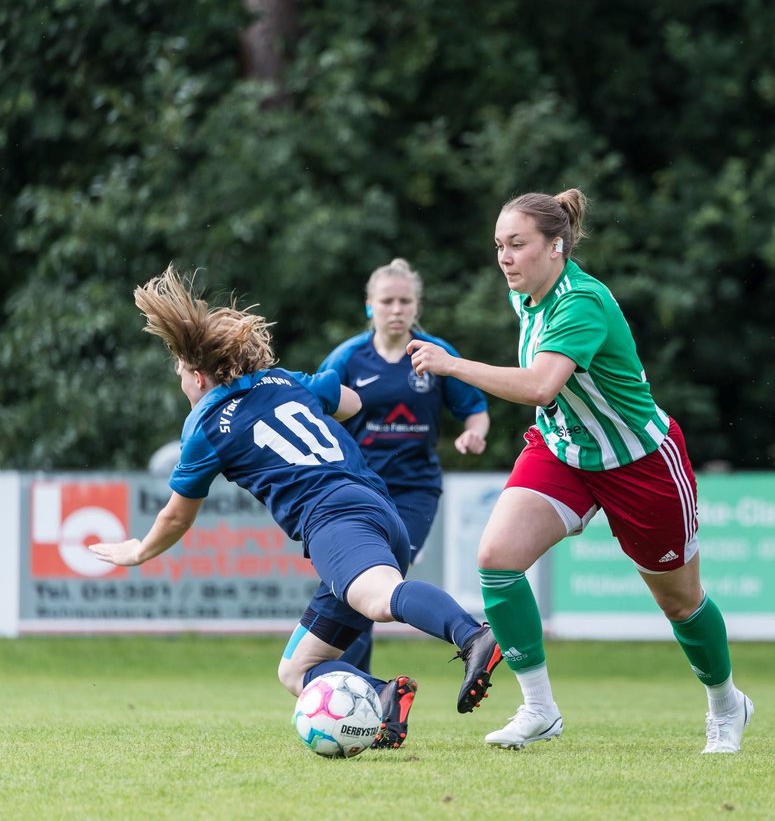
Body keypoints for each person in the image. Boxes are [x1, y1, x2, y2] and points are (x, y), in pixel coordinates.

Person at [90, 265, 503, 750]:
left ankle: (472, 635)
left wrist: (140, 551)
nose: (183, 384)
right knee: (296, 669)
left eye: (181, 374)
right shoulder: (284, 382)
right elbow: (348, 402)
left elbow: (177, 515)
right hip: (377, 508)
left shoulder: (204, 424)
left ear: (199, 377)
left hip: (333, 520)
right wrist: (308, 401)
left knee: (378, 598)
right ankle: (384, 699)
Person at [406, 189, 753, 754]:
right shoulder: (527, 294)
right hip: (564, 451)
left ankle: (726, 706)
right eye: (499, 246)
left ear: (557, 246)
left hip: (638, 463)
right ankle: (539, 709)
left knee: (680, 603)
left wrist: (453, 366)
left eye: (517, 245)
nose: (505, 258)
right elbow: (551, 398)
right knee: (497, 560)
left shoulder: (579, 302)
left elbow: (540, 385)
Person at [319, 257, 494, 681]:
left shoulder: (434, 355)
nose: (396, 309)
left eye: (405, 301)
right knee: (354, 588)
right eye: (387, 301)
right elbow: (316, 412)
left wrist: (474, 433)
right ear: (369, 306)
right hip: (357, 490)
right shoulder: (347, 359)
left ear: (416, 307)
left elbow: (475, 409)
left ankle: (357, 687)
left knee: (368, 584)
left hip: (414, 492)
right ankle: (359, 688)